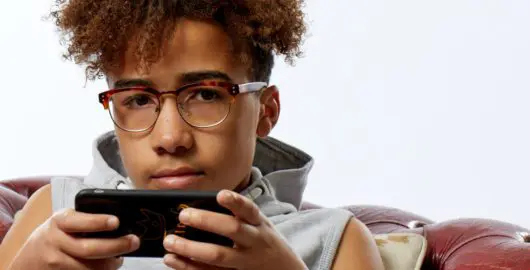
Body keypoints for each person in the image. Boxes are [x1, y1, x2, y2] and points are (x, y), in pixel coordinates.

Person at [0, 1, 384, 269]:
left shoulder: (337, 241)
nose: (170, 137)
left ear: (265, 112)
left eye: (205, 94)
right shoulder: (52, 214)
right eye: (137, 99)